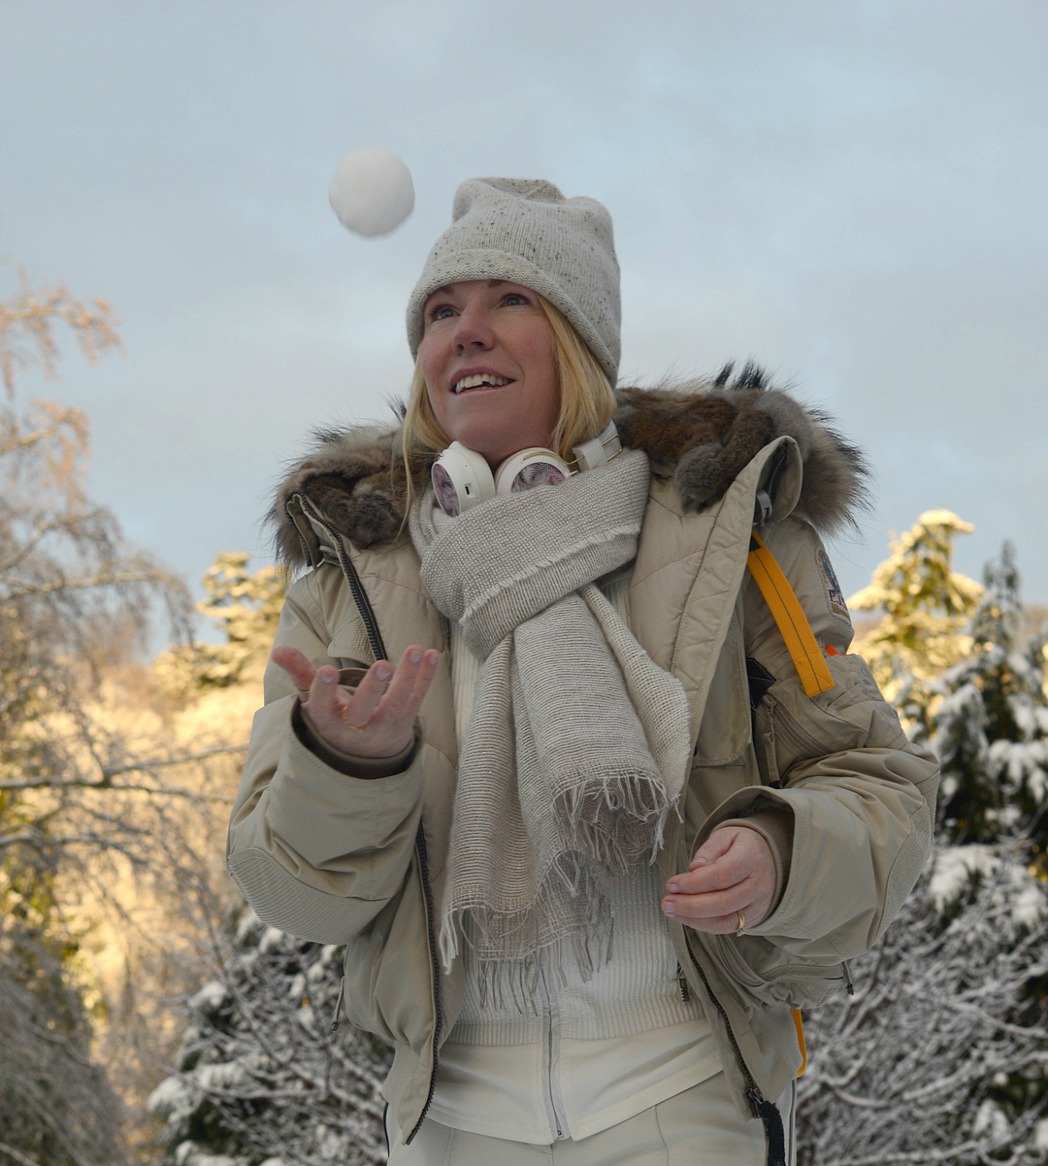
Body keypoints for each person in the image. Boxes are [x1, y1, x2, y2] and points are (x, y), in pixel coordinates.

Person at [227, 178, 938, 1166]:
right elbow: (296, 894)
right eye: (440, 311)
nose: (464, 331)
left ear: (578, 339)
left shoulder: (727, 538)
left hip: (683, 1095)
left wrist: (781, 847)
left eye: (508, 299)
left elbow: (882, 797)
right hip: (451, 1117)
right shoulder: (359, 573)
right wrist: (346, 768)